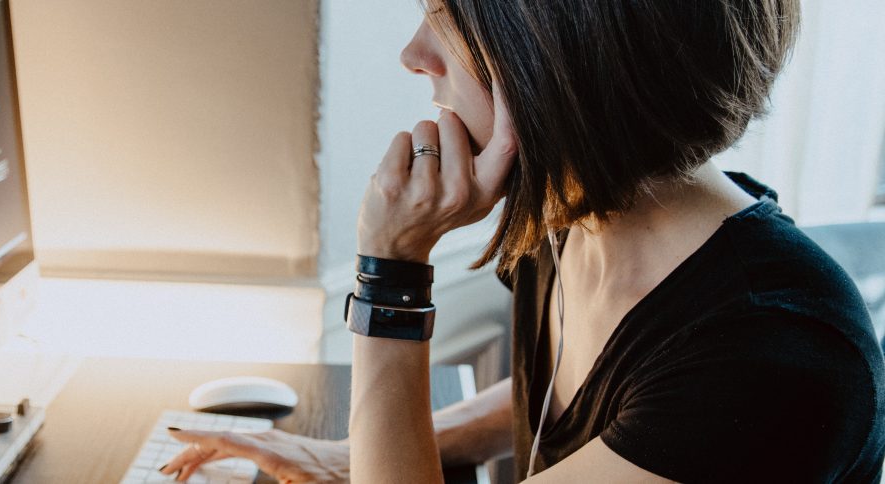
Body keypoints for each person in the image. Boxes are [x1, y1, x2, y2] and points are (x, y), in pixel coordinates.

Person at [161, 0, 885, 482]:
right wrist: (352, 457)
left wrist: (391, 270)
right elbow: (601, 396)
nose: (415, 54)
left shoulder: (769, 362)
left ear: (566, 55)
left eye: (447, 19)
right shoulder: (575, 218)